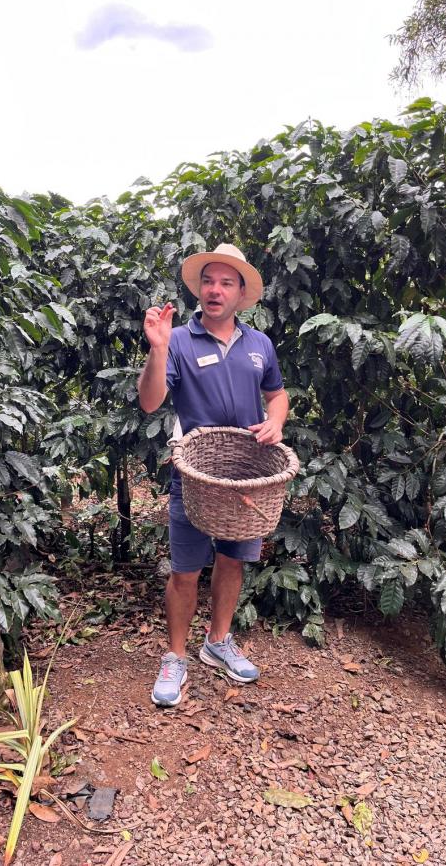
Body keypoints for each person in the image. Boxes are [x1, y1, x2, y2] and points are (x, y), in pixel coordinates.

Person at [138, 243, 289, 706]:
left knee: (233, 561)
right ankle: (176, 657)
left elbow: (277, 395)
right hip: (196, 476)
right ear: (199, 289)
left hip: (247, 478)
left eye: (226, 282)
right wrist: (158, 350)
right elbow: (150, 401)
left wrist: (276, 421)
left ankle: (217, 641)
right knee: (185, 572)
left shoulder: (259, 343)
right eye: (208, 281)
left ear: (242, 293)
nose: (215, 290)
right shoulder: (180, 340)